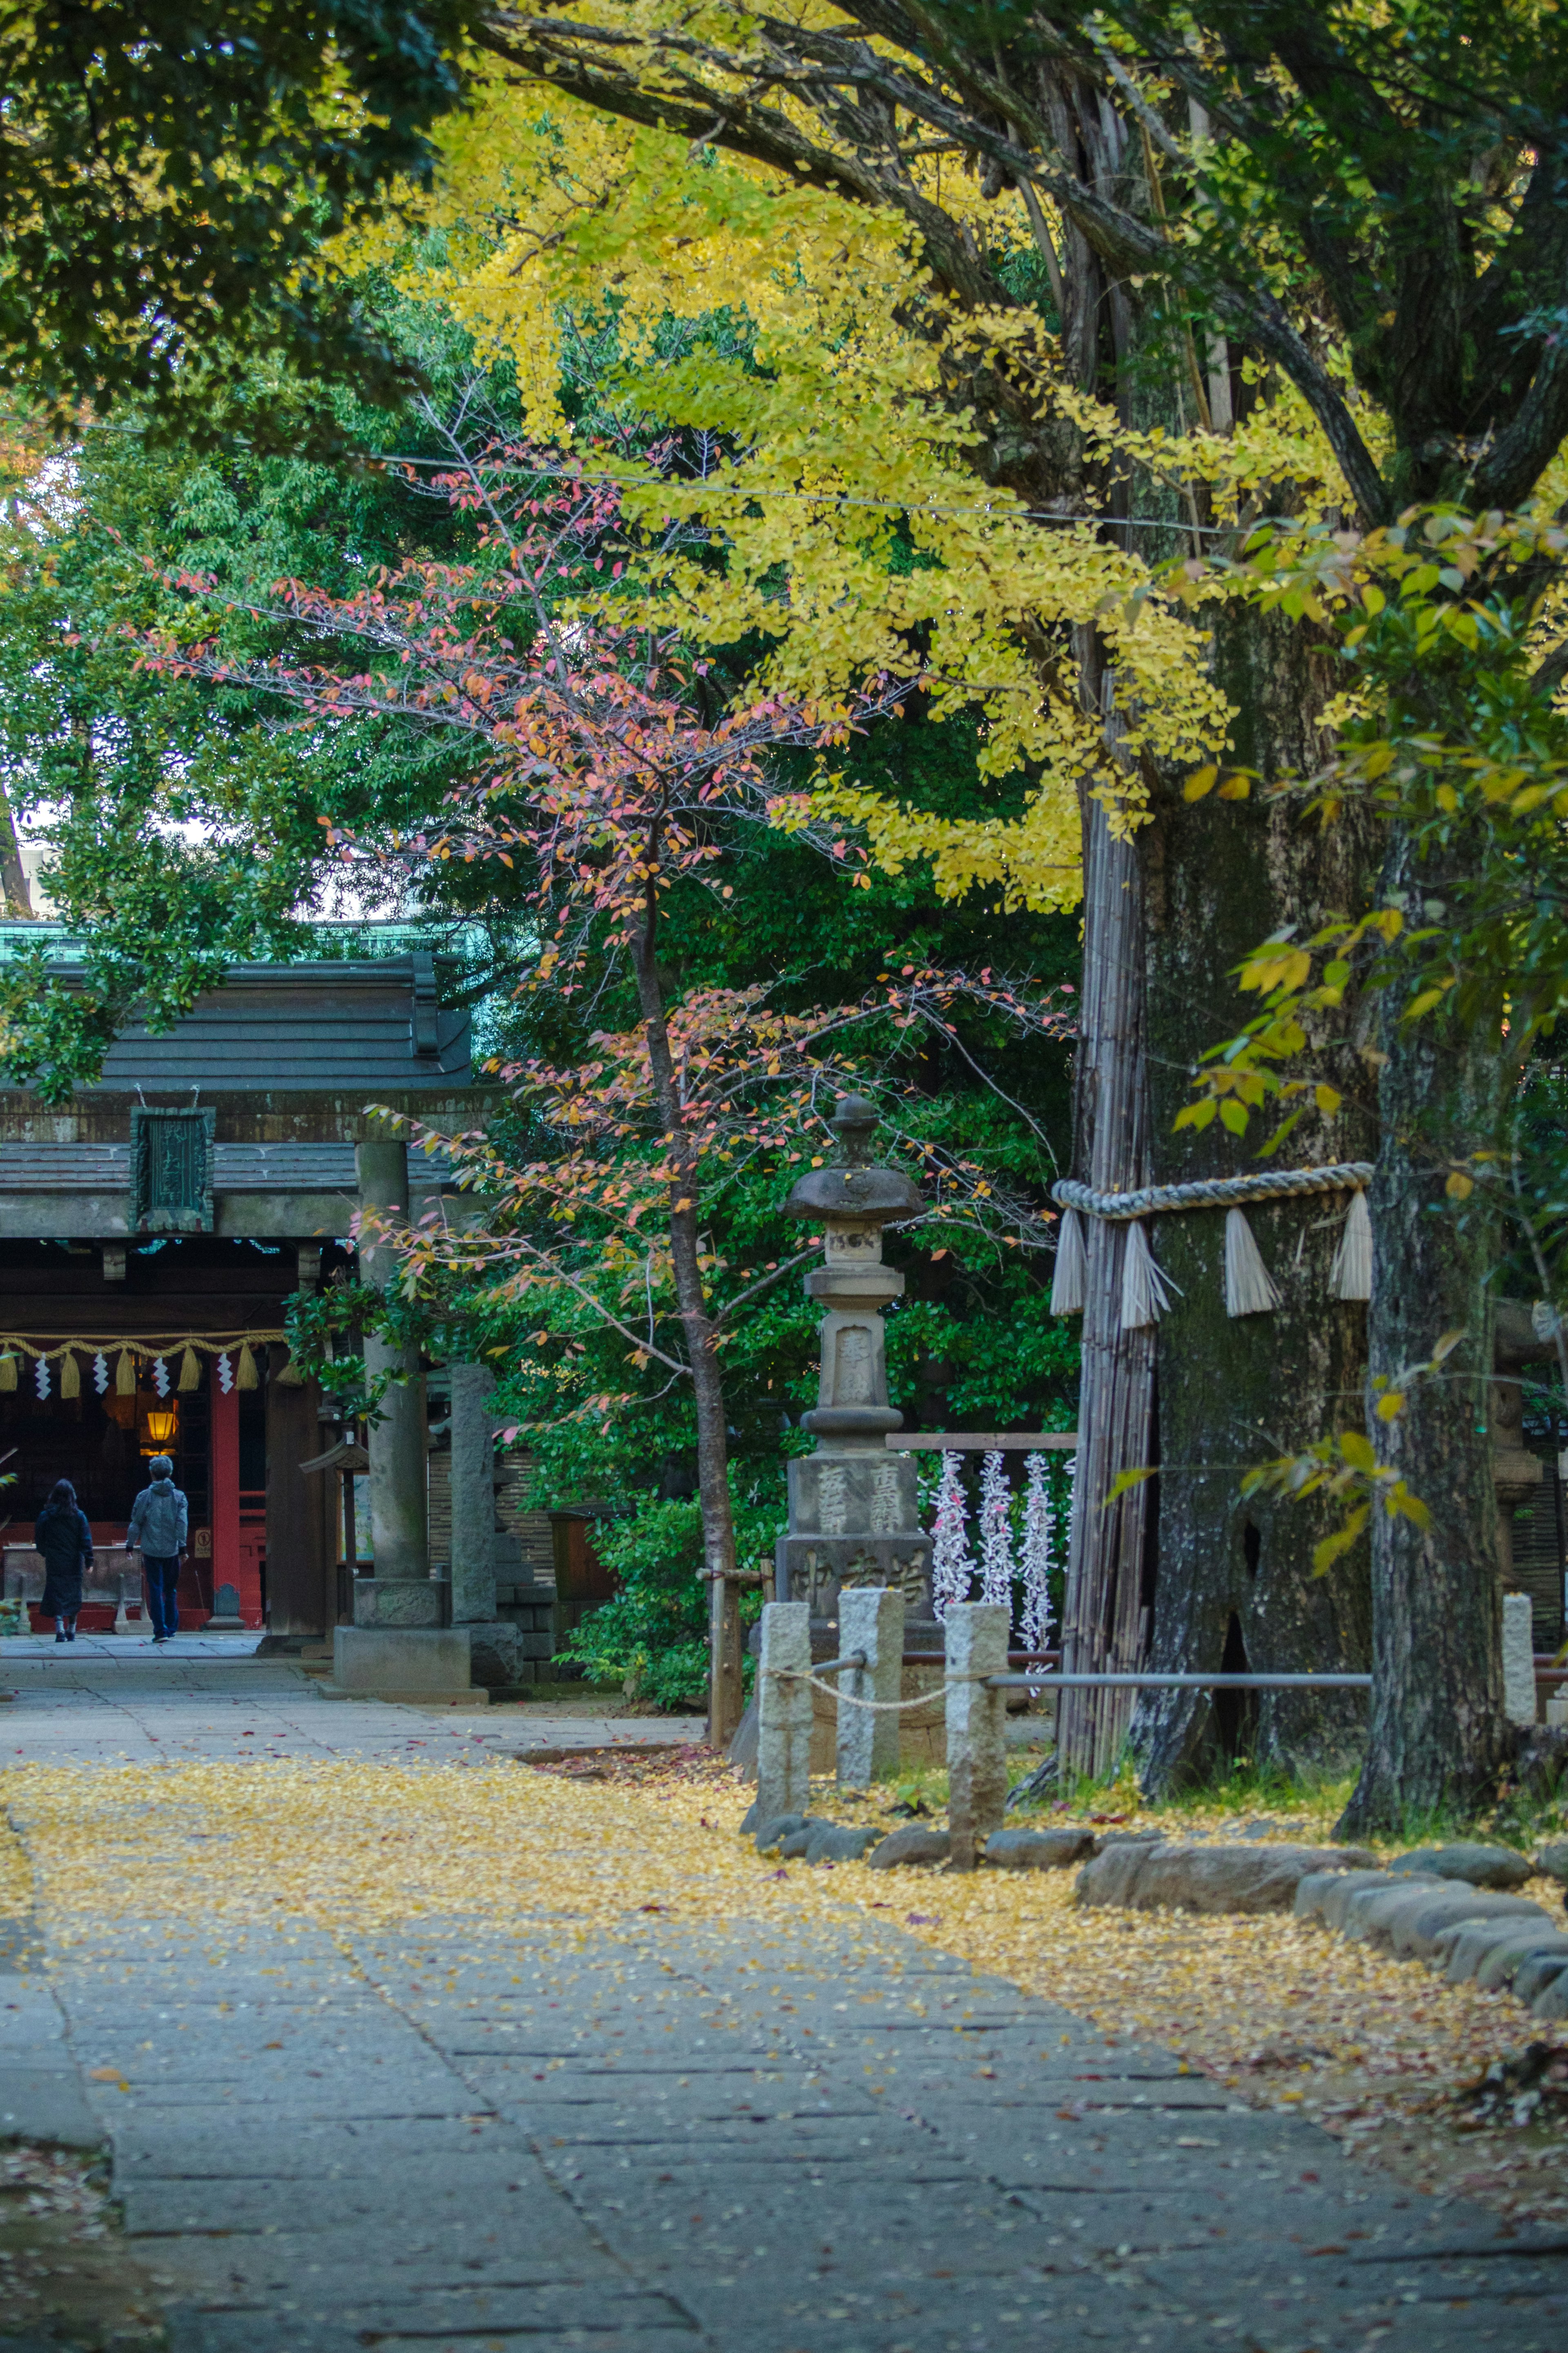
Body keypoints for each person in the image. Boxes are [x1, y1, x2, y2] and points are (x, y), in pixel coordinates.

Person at [127, 1454, 188, 1646]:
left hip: (151, 1551)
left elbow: (136, 1522)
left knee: (155, 1589)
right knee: (170, 1590)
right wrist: (183, 1547)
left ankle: (160, 1630)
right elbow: (182, 1523)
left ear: (152, 1474)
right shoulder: (179, 1497)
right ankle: (171, 1628)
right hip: (172, 1551)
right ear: (170, 1473)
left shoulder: (144, 1497)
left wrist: (130, 1544)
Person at [36, 1478, 94, 1644]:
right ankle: (72, 1630)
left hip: (54, 1561)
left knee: (57, 1593)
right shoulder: (79, 1516)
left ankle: (60, 1630)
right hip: (74, 1561)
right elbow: (86, 1540)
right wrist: (89, 1561)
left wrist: (45, 1553)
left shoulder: (46, 1516)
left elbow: (40, 1539)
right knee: (74, 1594)